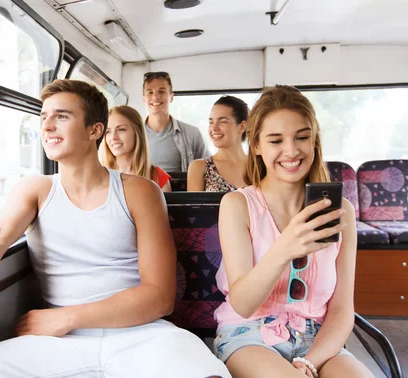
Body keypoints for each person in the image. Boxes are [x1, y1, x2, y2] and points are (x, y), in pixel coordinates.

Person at [0, 80, 230, 378]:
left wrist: (66, 317)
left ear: (95, 130)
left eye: (61, 117)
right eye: (44, 117)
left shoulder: (139, 191)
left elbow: (159, 296)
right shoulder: (36, 189)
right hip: (58, 344)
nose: (47, 126)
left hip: (142, 335)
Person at [213, 85, 374, 378]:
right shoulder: (237, 205)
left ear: (314, 141)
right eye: (276, 140)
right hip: (249, 333)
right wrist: (284, 248)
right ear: (257, 146)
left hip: (318, 337)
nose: (291, 151)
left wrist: (309, 361)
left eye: (302, 137)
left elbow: (341, 310)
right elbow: (243, 304)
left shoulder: (342, 212)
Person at [142, 71, 209, 172]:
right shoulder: (133, 135)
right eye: (150, 92)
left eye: (162, 91)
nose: (155, 97)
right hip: (143, 188)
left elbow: (207, 170)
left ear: (171, 97)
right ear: (144, 98)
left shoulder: (192, 134)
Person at [101, 105, 171, 192]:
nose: (113, 137)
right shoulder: (98, 175)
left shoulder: (158, 177)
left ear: (137, 132)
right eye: (107, 132)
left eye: (121, 129)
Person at [187, 96, 248, 192]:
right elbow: (195, 206)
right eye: (211, 122)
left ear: (242, 127)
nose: (214, 128)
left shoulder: (258, 166)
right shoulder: (199, 167)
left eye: (223, 121)